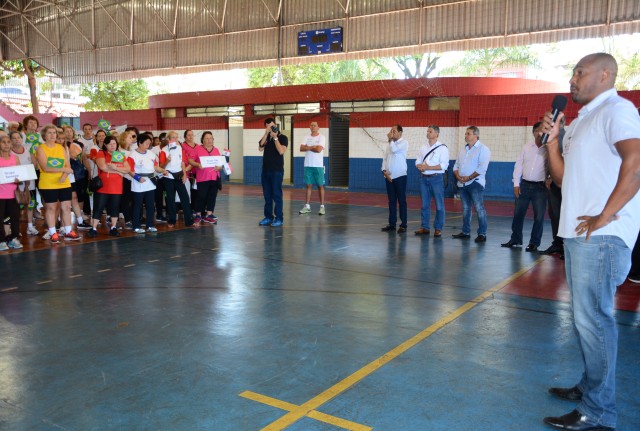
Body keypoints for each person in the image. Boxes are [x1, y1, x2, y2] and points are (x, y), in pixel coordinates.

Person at [541, 53, 640, 431]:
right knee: (585, 321)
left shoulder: (617, 110)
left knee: (594, 320)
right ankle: (589, 386)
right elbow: (564, 180)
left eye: (580, 72)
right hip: (578, 234)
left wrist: (604, 215)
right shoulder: (583, 121)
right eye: (572, 73)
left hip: (601, 238)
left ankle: (599, 412)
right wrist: (552, 144)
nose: (573, 79)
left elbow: (636, 162)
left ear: (605, 75)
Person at [501, 122, 547, 251]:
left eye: (543, 131)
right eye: (537, 130)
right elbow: (519, 165)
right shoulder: (526, 147)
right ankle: (515, 239)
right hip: (525, 185)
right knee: (518, 214)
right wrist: (516, 184)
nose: (540, 133)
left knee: (539, 217)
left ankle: (534, 243)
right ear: (533, 133)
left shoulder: (548, 149)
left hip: (541, 188)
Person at [35, 124, 80, 243]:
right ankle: (52, 232)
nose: (52, 135)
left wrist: (64, 176)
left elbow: (68, 166)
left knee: (67, 207)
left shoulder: (61, 148)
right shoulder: (40, 148)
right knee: (51, 208)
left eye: (54, 133)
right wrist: (63, 170)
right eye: (49, 133)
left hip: (63, 182)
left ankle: (68, 231)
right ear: (44, 135)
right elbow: (45, 167)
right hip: (48, 183)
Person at [86, 135, 134, 238]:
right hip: (103, 186)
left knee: (114, 208)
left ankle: (113, 227)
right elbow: (103, 167)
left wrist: (115, 168)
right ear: (105, 144)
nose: (112, 146)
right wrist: (119, 171)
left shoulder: (119, 155)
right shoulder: (101, 153)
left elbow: (127, 169)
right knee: (98, 207)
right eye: (110, 144)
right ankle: (93, 228)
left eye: (114, 144)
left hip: (117, 186)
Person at [452, 126, 491, 243]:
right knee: (466, 208)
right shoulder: (462, 150)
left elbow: (482, 168)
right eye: (465, 133)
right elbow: (456, 166)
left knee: (479, 208)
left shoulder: (483, 149)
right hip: (462, 184)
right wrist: (457, 176)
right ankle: (466, 232)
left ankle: (482, 233)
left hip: (475, 183)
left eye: (468, 133)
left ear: (476, 135)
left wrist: (469, 177)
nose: (465, 135)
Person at [414, 125, 449, 237]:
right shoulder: (423, 147)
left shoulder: (442, 148)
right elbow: (418, 160)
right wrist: (419, 166)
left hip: (436, 178)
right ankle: (425, 227)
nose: (428, 133)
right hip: (424, 178)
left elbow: (444, 165)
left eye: (430, 131)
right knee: (424, 205)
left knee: (439, 205)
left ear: (436, 134)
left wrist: (428, 167)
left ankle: (438, 228)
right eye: (427, 131)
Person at [129, 133, 166, 234]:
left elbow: (156, 167)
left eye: (149, 143)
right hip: (138, 182)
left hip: (150, 181)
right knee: (137, 205)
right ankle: (136, 226)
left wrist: (163, 170)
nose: (148, 145)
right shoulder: (132, 155)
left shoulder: (151, 154)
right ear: (140, 143)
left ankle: (150, 225)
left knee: (150, 205)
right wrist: (137, 178)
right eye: (146, 143)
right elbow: (130, 170)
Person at [159, 131, 193, 228]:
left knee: (185, 198)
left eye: (177, 137)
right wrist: (167, 160)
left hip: (179, 175)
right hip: (168, 176)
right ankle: (172, 220)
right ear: (168, 139)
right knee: (170, 199)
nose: (175, 139)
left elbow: (183, 163)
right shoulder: (164, 150)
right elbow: (161, 166)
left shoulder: (180, 148)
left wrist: (184, 174)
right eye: (173, 137)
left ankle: (188, 220)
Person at [258, 118, 288, 227]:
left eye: (273, 125)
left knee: (277, 195)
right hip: (266, 170)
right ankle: (268, 217)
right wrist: (266, 134)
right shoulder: (266, 137)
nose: (272, 128)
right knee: (267, 195)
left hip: (277, 171)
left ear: (276, 125)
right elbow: (260, 148)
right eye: (269, 126)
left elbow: (281, 151)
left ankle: (279, 218)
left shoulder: (283, 137)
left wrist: (275, 137)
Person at [380, 125, 408, 233]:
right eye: (391, 131)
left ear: (400, 133)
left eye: (394, 131)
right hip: (389, 177)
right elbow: (385, 158)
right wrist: (384, 171)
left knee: (401, 201)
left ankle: (403, 224)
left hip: (400, 177)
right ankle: (392, 224)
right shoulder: (389, 145)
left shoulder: (404, 143)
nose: (392, 133)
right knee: (391, 201)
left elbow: (395, 150)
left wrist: (390, 139)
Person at [191, 131, 223, 224]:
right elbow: (190, 160)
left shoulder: (216, 150)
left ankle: (209, 214)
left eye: (211, 138)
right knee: (201, 196)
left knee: (212, 196)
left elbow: (220, 163)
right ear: (203, 140)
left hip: (214, 177)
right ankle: (198, 214)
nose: (209, 140)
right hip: (202, 177)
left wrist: (220, 167)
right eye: (207, 138)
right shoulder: (197, 149)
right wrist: (198, 164)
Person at [10, 131, 38, 236]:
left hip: (29, 184)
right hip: (15, 184)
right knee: (15, 207)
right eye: (14, 138)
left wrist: (32, 166)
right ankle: (15, 229)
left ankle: (30, 226)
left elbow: (35, 165)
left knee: (30, 204)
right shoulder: (9, 153)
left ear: (22, 139)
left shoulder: (28, 150)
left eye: (18, 137)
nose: (17, 139)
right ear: (10, 140)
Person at [298, 121, 326, 216]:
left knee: (320, 185)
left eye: (315, 125)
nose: (313, 126)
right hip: (308, 165)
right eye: (311, 125)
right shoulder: (306, 137)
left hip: (318, 165)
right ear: (310, 127)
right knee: (308, 185)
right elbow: (301, 148)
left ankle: (322, 207)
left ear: (318, 127)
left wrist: (307, 147)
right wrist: (311, 147)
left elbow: (318, 150)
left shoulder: (322, 137)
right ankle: (307, 206)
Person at [0, 135, 23, 251]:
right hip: (0, 195)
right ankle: (1, 240)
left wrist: (19, 180)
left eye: (8, 142)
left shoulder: (15, 159)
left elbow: (20, 175)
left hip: (13, 194)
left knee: (15, 217)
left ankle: (13, 238)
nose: (6, 144)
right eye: (3, 142)